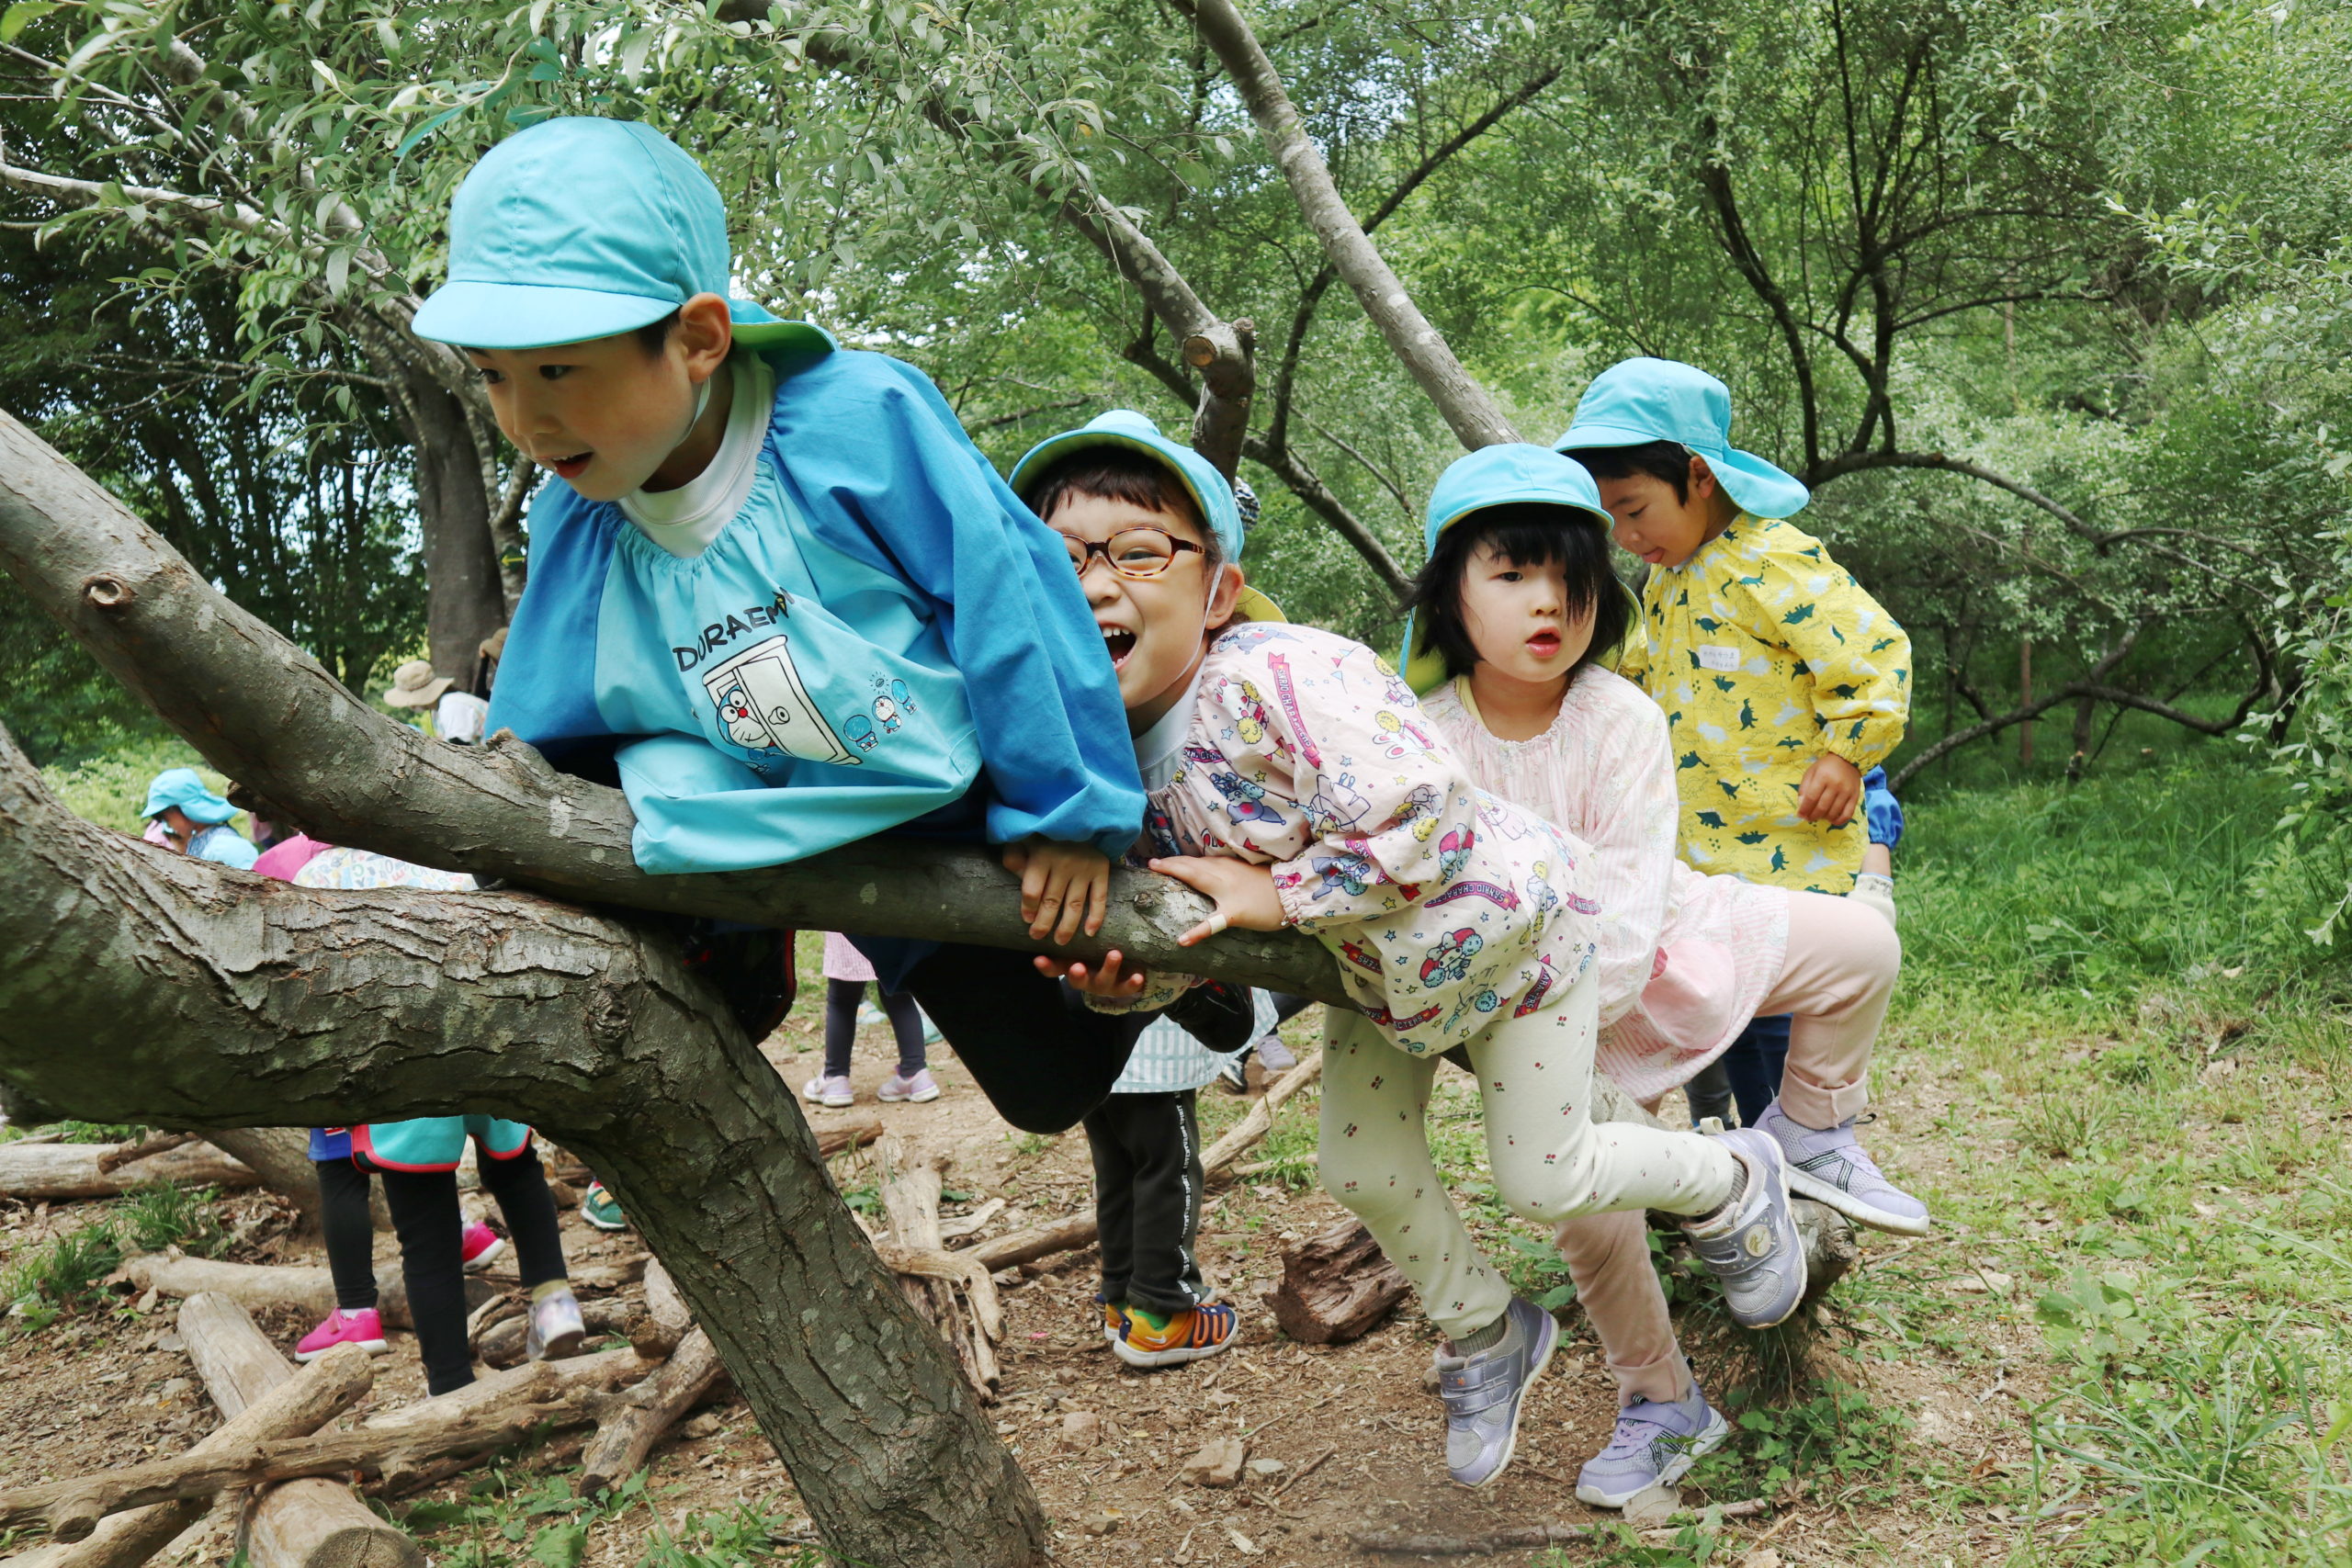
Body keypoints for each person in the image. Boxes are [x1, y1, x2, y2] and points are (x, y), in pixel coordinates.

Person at [1013, 412, 1809, 1491]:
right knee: (1360, 1166)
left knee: (1545, 1176)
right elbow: (1198, 925)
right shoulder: (1089, 761)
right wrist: (1127, 984)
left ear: (1218, 591)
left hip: (1516, 935)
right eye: (1057, 560)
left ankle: (1733, 1174)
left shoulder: (1272, 675)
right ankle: (1488, 1330)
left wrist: (1280, 892)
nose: (1094, 584)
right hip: (1372, 974)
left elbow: (1421, 808)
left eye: (1139, 552)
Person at [416, 117, 1166, 1134]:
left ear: (697, 339)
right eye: (494, 375)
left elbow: (1011, 597)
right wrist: (514, 843)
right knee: (679, 1001)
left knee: (1048, 1088)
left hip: (933, 805)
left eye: (558, 372)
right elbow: (549, 711)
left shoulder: (858, 422)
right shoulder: (579, 517)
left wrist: (1067, 813)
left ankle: (1191, 989)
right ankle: (736, 944)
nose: (525, 420)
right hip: (745, 807)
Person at [1398, 443, 1930, 1506]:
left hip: (1659, 943)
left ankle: (1807, 1134)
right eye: (1512, 575)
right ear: (1448, 595)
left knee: (1863, 947)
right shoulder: (1425, 737)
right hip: (1539, 1006)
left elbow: (1636, 895)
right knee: (1586, 1213)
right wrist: (1550, 1050)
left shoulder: (1620, 714)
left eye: (1573, 578)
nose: (1549, 602)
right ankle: (1661, 1400)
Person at [1558, 359, 1913, 1134]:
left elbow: (1875, 652)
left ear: (1698, 475)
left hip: (1791, 839)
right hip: (1705, 850)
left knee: (1780, 1019)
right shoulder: (1668, 580)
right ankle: (1756, 1158)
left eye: (1636, 509)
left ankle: (1808, 1152)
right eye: (1612, 520)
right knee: (1725, 1009)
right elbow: (1641, 677)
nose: (1628, 536)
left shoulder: (1772, 558)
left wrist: (1847, 752)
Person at [288, 845, 586, 1394]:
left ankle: (451, 1384)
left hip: (401, 1060)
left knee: (427, 1234)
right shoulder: (447, 845)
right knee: (516, 1169)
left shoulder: (320, 875)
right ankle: (554, 1302)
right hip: (486, 1029)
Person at [803, 931, 940, 1107]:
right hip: (889, 928)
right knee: (899, 994)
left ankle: (835, 1078)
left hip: (848, 928)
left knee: (842, 1000)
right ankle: (915, 1073)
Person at [140, 769, 258, 870]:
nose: (167, 824)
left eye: (164, 817)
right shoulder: (200, 840)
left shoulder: (226, 846)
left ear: (181, 809)